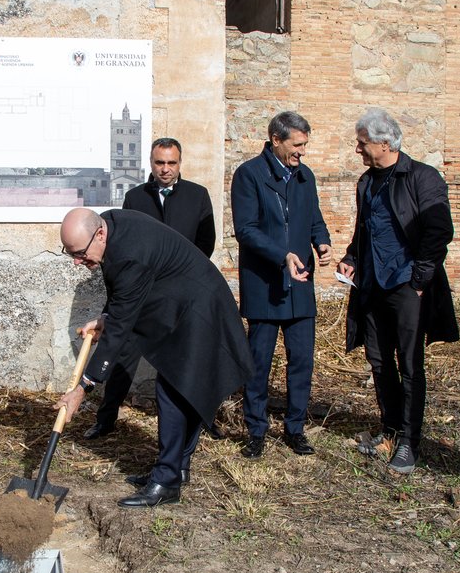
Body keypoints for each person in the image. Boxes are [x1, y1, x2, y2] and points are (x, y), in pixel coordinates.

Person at [56, 207, 253, 507]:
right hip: (183, 304)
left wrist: (82, 389)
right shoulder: (111, 225)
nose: (76, 261)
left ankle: (166, 482)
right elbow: (122, 296)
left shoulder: (128, 254)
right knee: (182, 388)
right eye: (69, 253)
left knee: (173, 390)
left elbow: (119, 333)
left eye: (80, 253)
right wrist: (105, 317)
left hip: (201, 311)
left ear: (99, 234)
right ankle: (175, 469)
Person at [337, 108, 459, 474]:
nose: (358, 150)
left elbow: (440, 232)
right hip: (372, 286)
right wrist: (351, 257)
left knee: (409, 364)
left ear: (385, 142)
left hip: (407, 287)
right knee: (378, 359)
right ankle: (390, 428)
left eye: (363, 143)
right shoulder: (367, 182)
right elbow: (366, 230)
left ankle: (409, 440)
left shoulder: (422, 177)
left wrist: (420, 280)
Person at [83, 137, 217, 440]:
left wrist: (180, 281)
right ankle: (106, 418)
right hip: (139, 295)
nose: (166, 169)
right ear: (151, 163)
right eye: (160, 163)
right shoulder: (135, 197)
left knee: (188, 362)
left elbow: (204, 244)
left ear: (180, 163)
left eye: (172, 163)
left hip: (180, 297)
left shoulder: (198, 196)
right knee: (123, 356)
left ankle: (204, 418)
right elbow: (125, 244)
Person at [231, 111, 332, 459]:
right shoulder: (249, 175)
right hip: (265, 284)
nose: (302, 151)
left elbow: (314, 217)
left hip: (300, 283)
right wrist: (282, 255)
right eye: (297, 144)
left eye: (305, 144)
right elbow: (245, 229)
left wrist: (322, 241)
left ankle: (295, 428)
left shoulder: (306, 177)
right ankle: (256, 431)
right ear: (276, 140)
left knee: (302, 360)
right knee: (258, 363)